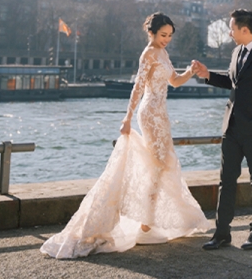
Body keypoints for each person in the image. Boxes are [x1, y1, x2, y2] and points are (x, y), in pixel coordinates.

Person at [41, 13, 212, 258]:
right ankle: (145, 226)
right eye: (163, 35)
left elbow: (174, 81)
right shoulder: (149, 54)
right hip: (149, 114)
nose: (167, 40)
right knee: (159, 166)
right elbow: (138, 87)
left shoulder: (162, 54)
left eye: (170, 36)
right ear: (151, 33)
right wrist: (127, 117)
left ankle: (147, 223)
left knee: (163, 166)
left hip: (161, 114)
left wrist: (191, 71)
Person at [191, 9, 252, 251]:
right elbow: (233, 81)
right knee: (226, 182)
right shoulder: (236, 52)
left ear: (244, 29)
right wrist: (207, 74)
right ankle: (222, 234)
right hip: (231, 129)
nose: (229, 32)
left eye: (232, 28)